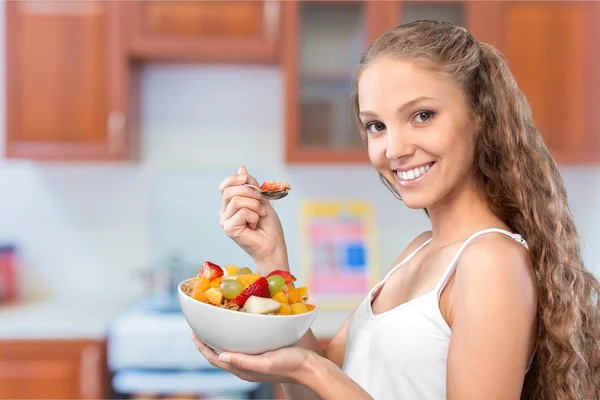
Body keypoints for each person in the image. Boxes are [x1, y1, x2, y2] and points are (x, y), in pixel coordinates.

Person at [192, 20, 600, 400]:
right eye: (376, 126)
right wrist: (271, 258)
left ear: (480, 117)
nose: (395, 149)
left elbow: (319, 376)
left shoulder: (491, 262)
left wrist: (311, 370)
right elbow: (317, 390)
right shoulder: (419, 250)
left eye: (422, 116)